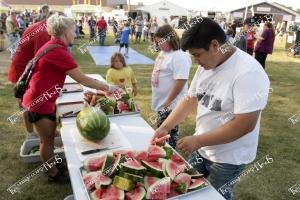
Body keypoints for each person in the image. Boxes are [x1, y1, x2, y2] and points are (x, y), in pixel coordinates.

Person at [151, 18, 270, 200]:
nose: (197, 62)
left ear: (215, 45)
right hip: (202, 149)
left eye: (198, 55)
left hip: (229, 159)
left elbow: (244, 125)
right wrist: (165, 127)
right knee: (184, 190)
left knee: (217, 196)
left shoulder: (248, 73)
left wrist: (198, 141)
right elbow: (190, 100)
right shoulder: (207, 65)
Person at [21, 14, 120, 183]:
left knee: (50, 139)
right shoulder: (58, 51)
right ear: (64, 32)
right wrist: (109, 87)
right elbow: (82, 79)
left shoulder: (52, 45)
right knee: (47, 141)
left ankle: (52, 165)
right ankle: (53, 174)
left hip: (43, 99)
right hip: (40, 102)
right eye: (73, 30)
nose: (75, 34)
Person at [151, 24, 192, 149]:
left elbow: (181, 80)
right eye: (157, 42)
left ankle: (169, 154)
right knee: (161, 130)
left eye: (161, 42)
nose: (158, 45)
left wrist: (169, 100)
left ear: (170, 39)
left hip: (170, 104)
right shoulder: (163, 52)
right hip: (162, 101)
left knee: (167, 134)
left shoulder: (180, 56)